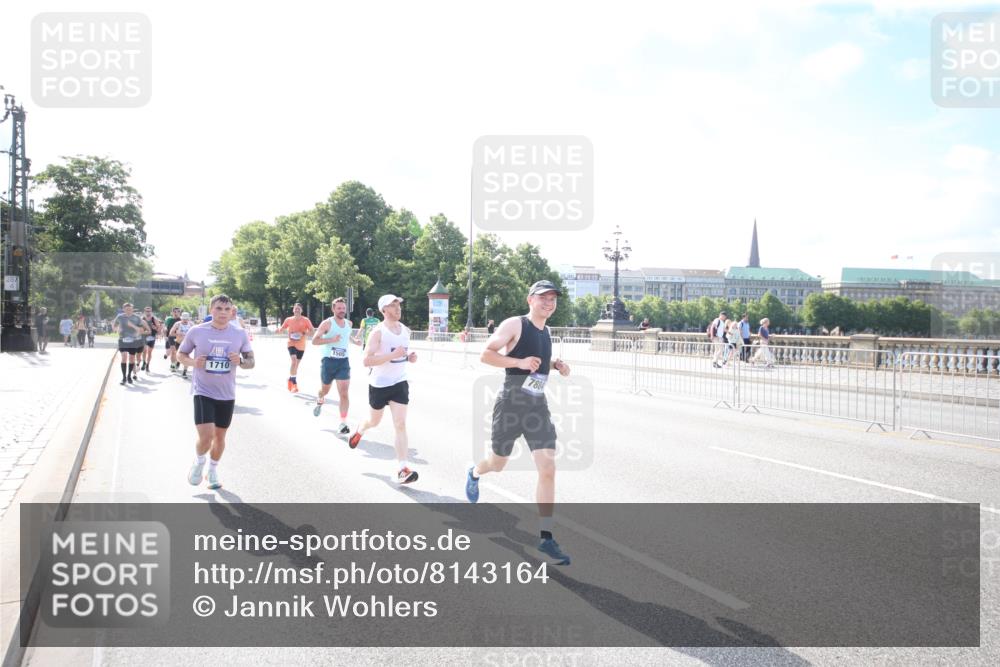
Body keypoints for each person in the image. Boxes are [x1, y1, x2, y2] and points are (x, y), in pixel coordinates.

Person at [464, 280, 573, 565]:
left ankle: (546, 538)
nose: (549, 303)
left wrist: (555, 366)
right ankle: (475, 472)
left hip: (537, 407)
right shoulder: (515, 324)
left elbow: (535, 365)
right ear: (530, 300)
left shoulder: (547, 331)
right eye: (543, 298)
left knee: (548, 468)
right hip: (510, 405)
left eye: (553, 299)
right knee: (497, 464)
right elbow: (486, 354)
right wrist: (519, 363)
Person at [178, 294, 254, 490]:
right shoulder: (197, 331)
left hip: (227, 393)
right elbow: (181, 353)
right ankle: (199, 462)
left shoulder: (239, 334)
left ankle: (212, 470)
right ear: (211, 310)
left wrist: (242, 362)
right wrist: (193, 363)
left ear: (232, 312)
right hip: (203, 390)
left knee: (220, 437)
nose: (223, 313)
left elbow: (251, 362)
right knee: (207, 436)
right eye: (219, 308)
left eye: (227, 309)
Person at [348, 294, 419, 484]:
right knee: (374, 421)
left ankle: (402, 468)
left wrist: (409, 356)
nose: (398, 308)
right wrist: (392, 355)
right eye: (393, 305)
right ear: (383, 310)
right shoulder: (377, 332)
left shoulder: (405, 330)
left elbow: (401, 353)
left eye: (399, 305)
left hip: (399, 382)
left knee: (400, 424)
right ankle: (360, 429)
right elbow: (366, 360)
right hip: (379, 384)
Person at [313, 297, 360, 433]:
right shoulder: (327, 323)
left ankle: (343, 423)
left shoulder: (349, 323)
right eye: (339, 308)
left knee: (344, 393)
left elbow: (346, 336)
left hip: (343, 362)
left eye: (343, 308)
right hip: (328, 361)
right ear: (333, 309)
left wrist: (354, 341)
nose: (341, 311)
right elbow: (315, 341)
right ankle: (320, 398)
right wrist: (331, 339)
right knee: (325, 390)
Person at [277, 303, 314, 392]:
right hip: (291, 343)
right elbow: (282, 329)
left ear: (301, 310)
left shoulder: (306, 320)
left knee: (296, 365)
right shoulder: (288, 320)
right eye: (295, 309)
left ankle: (290, 378)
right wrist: (279, 331)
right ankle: (294, 384)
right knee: (293, 362)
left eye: (299, 309)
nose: (297, 310)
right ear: (293, 310)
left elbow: (312, 331)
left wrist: (303, 333)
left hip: (301, 345)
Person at [113, 303, 149, 385]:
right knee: (124, 357)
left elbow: (142, 329)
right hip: (122, 340)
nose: (128, 311)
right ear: (124, 309)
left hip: (134, 341)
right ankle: (123, 378)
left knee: (132, 359)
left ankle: (129, 376)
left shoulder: (137, 318)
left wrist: (137, 330)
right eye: (127, 309)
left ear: (132, 309)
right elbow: (114, 326)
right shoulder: (120, 317)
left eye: (130, 309)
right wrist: (116, 329)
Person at [169, 312, 196, 378]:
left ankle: (184, 372)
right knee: (177, 355)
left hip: (187, 343)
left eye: (186, 319)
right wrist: (177, 334)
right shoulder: (177, 324)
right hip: (178, 342)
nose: (185, 320)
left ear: (188, 319)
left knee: (186, 356)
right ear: (181, 318)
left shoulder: (191, 324)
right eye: (184, 319)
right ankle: (177, 362)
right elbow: (171, 333)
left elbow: (196, 334)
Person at [140, 307, 161, 373]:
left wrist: (155, 328)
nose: (148, 312)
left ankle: (147, 365)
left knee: (149, 352)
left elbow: (159, 330)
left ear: (151, 312)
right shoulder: (142, 319)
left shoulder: (154, 319)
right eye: (147, 311)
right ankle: (144, 362)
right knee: (144, 350)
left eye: (149, 311)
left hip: (152, 337)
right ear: (144, 311)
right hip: (144, 336)